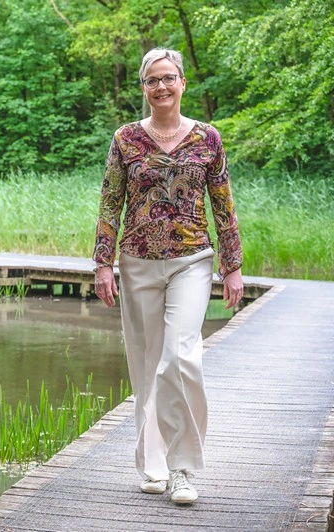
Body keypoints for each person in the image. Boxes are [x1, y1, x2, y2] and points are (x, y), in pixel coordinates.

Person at [92, 48, 244, 505]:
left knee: (179, 359)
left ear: (182, 83)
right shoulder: (125, 139)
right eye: (152, 80)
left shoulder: (207, 138)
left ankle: (182, 468)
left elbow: (223, 204)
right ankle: (153, 464)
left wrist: (232, 266)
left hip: (191, 260)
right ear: (143, 87)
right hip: (136, 262)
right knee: (147, 366)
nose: (161, 86)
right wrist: (102, 263)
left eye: (168, 78)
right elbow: (110, 202)